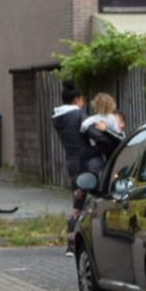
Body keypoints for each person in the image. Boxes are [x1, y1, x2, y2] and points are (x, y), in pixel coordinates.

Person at [52, 83, 88, 249]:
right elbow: (90, 134)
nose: (83, 103)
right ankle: (74, 243)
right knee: (84, 203)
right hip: (85, 162)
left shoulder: (59, 118)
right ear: (77, 99)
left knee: (77, 201)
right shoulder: (79, 115)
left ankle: (71, 240)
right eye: (82, 99)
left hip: (71, 162)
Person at [79, 93, 125, 174]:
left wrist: (82, 132)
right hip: (115, 149)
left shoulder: (95, 118)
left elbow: (84, 125)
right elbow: (118, 133)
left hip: (103, 148)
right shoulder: (112, 118)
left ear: (95, 106)